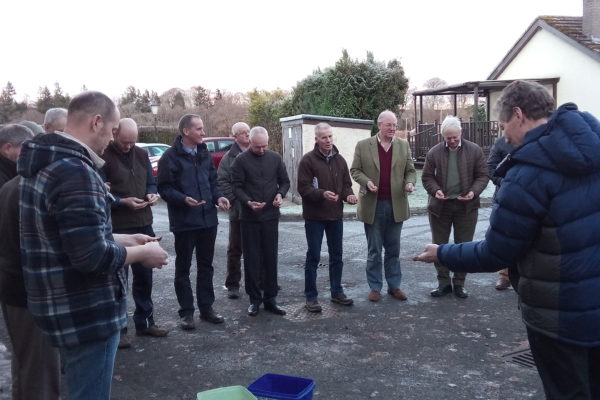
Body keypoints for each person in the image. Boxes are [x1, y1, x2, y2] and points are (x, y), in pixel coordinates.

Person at [414, 80, 600, 399]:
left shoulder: (527, 174)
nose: (503, 137)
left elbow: (496, 252)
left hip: (558, 316)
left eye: (502, 127)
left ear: (518, 115)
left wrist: (442, 252)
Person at [18, 91, 169, 400]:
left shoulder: (46, 164)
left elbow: (65, 238)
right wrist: (143, 253)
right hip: (86, 312)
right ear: (96, 122)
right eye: (113, 132)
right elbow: (90, 256)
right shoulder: (75, 171)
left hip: (59, 305)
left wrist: (128, 239)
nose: (112, 141)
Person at [0, 126, 59, 400]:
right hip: (30, 292)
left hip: (15, 289)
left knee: (25, 365)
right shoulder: (25, 189)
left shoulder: (12, 187)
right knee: (41, 373)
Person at [157, 114, 230, 330]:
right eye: (199, 129)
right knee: (183, 268)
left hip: (208, 220)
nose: (203, 132)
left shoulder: (204, 154)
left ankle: (207, 309)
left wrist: (219, 197)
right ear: (186, 131)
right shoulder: (169, 157)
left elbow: (212, 182)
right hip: (185, 221)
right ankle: (186, 313)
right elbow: (164, 188)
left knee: (206, 266)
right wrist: (182, 199)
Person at [101, 118, 168, 348]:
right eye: (124, 142)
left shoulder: (140, 154)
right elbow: (100, 195)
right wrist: (121, 202)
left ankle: (145, 321)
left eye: (132, 142)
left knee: (145, 278)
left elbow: (151, 181)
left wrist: (152, 194)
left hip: (144, 222)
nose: (129, 146)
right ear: (115, 133)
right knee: (119, 282)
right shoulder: (103, 157)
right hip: (118, 227)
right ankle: (120, 330)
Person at [350, 110, 416, 302]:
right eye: (389, 125)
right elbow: (355, 170)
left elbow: (410, 171)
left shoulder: (403, 146)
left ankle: (394, 286)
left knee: (393, 250)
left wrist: (410, 182)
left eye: (395, 125)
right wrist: (366, 181)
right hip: (373, 205)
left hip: (397, 204)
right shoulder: (363, 146)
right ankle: (375, 287)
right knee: (374, 250)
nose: (393, 128)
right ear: (379, 125)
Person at [421, 116, 489, 299]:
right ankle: (443, 283)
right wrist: (436, 191)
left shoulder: (475, 151)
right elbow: (427, 177)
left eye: (454, 137)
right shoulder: (434, 153)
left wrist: (473, 192)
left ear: (461, 133)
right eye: (448, 138)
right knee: (439, 245)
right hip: (440, 207)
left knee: (463, 246)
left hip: (466, 206)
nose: (451, 141)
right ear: (443, 136)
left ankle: (459, 283)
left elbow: (483, 176)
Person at [297, 122, 357, 312]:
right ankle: (311, 297)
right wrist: (322, 193)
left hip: (335, 215)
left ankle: (337, 292)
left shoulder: (340, 160)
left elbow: (346, 184)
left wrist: (349, 195)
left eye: (330, 136)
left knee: (337, 256)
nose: (329, 140)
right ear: (316, 139)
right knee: (313, 256)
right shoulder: (307, 161)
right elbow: (303, 188)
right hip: (314, 216)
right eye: (324, 137)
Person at [232, 126, 290, 316]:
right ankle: (254, 300)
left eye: (264, 146)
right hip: (249, 218)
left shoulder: (274, 158)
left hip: (271, 216)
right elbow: (236, 187)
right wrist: (248, 202)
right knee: (252, 260)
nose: (262, 150)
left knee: (270, 258)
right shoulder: (240, 161)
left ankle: (270, 299)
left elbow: (285, 181)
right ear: (250, 143)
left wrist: (280, 195)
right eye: (257, 147)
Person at [217, 122, 250, 300]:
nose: (247, 135)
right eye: (242, 133)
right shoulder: (228, 158)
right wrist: (236, 200)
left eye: (248, 131)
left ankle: (261, 282)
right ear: (234, 137)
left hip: (258, 211)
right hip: (238, 211)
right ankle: (233, 285)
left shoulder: (258, 152)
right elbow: (222, 182)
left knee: (259, 248)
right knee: (235, 249)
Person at [486, 135, 515, 291]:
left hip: (529, 197)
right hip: (503, 197)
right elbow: (491, 168)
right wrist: (505, 183)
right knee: (504, 237)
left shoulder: (537, 139)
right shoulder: (501, 142)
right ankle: (505, 276)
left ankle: (525, 277)